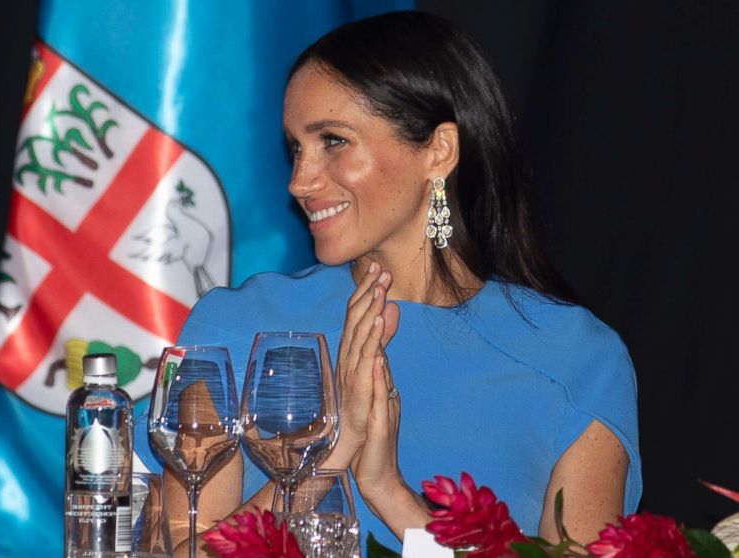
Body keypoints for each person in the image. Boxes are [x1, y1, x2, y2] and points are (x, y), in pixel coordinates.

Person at [135, 10, 641, 554]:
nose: (299, 181)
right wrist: (329, 453)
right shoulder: (237, 326)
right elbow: (176, 550)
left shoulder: (578, 360)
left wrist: (390, 494)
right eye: (296, 149)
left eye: (332, 141)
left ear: (439, 151)